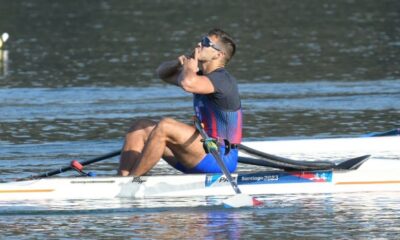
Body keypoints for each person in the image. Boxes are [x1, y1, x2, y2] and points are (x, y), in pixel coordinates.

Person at [118, 28, 242, 176]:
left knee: (166, 126)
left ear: (218, 54)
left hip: (220, 158)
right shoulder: (200, 77)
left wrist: (190, 68)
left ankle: (133, 180)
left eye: (206, 42)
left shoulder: (222, 80)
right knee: (140, 127)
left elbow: (187, 83)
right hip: (198, 152)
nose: (199, 44)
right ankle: (121, 179)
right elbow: (162, 73)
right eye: (202, 40)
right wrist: (179, 63)